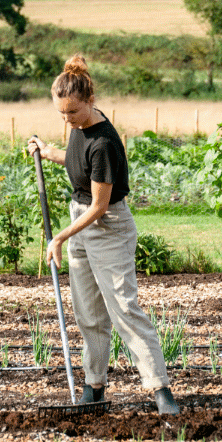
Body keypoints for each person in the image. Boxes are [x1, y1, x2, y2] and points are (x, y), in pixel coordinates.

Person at [28, 55, 180, 415]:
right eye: (61, 114)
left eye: (73, 113)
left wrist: (59, 237)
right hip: (79, 222)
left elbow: (99, 206)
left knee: (124, 309)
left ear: (90, 101)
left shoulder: (104, 141)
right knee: (89, 314)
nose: (68, 120)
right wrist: (46, 151)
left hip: (107, 226)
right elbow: (75, 159)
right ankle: (94, 387)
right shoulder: (78, 129)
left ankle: (160, 390)